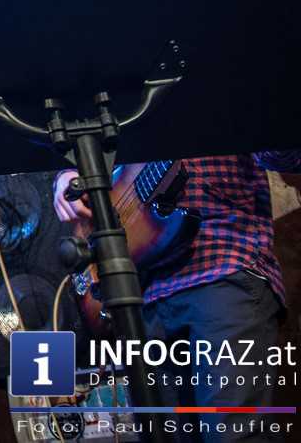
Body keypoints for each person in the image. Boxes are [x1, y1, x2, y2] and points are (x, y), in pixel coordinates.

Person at [53, 151, 301, 437]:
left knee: (233, 432)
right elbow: (97, 149)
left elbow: (287, 157)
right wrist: (66, 177)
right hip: (142, 295)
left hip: (220, 266)